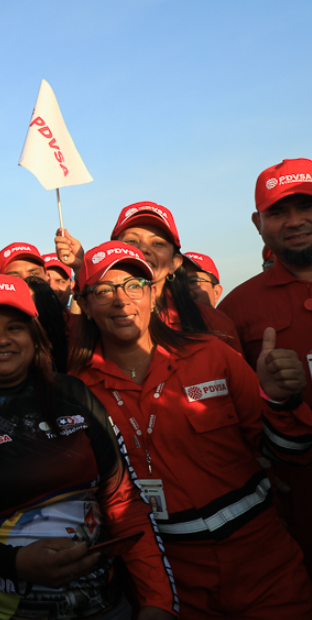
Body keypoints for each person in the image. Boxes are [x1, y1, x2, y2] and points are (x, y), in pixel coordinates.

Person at [0, 273, 176, 620]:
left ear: (35, 337)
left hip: (105, 606)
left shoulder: (75, 394)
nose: (1, 339)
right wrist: (16, 564)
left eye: (15, 327)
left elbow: (123, 501)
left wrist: (157, 600)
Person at [72, 241, 312, 618]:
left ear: (153, 293)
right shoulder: (76, 394)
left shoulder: (213, 355)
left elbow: (292, 454)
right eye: (103, 290)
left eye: (134, 284)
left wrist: (279, 401)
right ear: (84, 305)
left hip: (264, 563)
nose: (121, 300)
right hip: (171, 576)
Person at [218, 158, 312, 575]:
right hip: (299, 504)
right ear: (258, 223)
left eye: (306, 206)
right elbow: (226, 416)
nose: (295, 221)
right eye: (278, 212)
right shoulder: (235, 310)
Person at [55, 201, 242, 352]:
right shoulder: (97, 321)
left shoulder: (215, 323)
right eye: (131, 241)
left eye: (158, 244)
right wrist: (82, 270)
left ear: (174, 263)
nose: (143, 249)